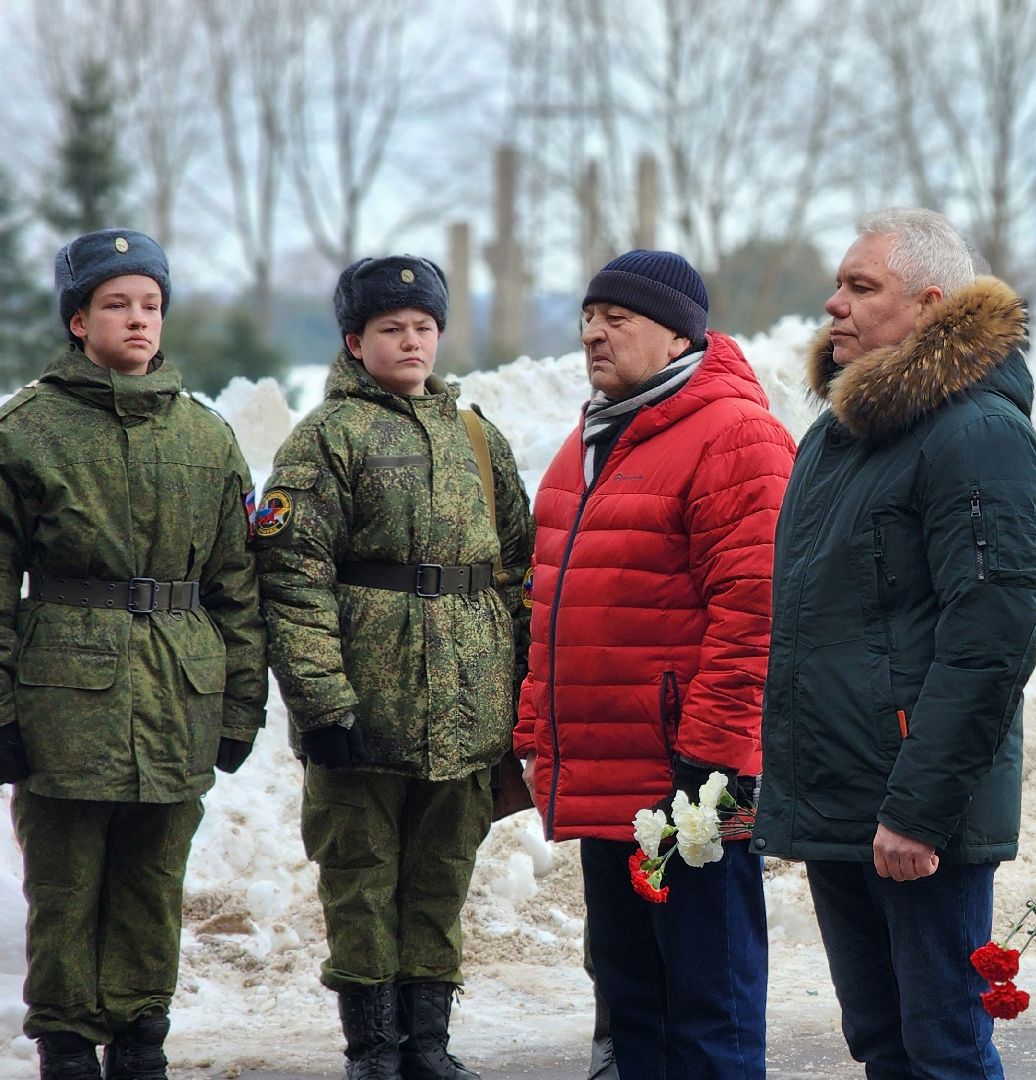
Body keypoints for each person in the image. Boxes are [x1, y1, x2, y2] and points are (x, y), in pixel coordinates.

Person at [753, 208, 1036, 1079]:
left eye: (861, 286)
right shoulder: (838, 435)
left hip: (919, 815)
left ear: (928, 305)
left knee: (944, 1050)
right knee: (882, 1044)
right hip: (846, 802)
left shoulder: (978, 434)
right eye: (838, 284)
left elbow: (990, 642)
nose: (834, 303)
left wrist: (918, 812)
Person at [516, 249, 793, 1079]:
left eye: (618, 319)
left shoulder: (735, 435)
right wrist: (536, 734)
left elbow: (755, 614)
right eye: (588, 319)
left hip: (691, 784)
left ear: (679, 337)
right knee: (633, 1008)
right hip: (606, 778)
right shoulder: (591, 440)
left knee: (708, 1012)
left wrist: (711, 762)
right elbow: (551, 603)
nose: (593, 335)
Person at [254, 255, 534, 1080]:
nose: (412, 341)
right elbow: (292, 577)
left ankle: (428, 1045)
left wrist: (521, 688)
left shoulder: (476, 437)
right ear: (354, 340)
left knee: (443, 876)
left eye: (425, 327)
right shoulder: (325, 439)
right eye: (391, 328)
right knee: (361, 879)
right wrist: (322, 704)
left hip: (467, 711)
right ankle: (373, 1048)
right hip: (365, 714)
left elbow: (518, 567)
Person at [0, 229, 267, 1079]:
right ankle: (67, 1045)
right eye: (117, 304)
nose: (139, 319)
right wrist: (1, 714)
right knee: (66, 881)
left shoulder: (206, 437)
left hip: (177, 694)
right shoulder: (26, 432)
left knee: (154, 877)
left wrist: (240, 704)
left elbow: (236, 585)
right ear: (78, 321)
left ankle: (143, 1038)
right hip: (63, 698)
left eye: (151, 304)